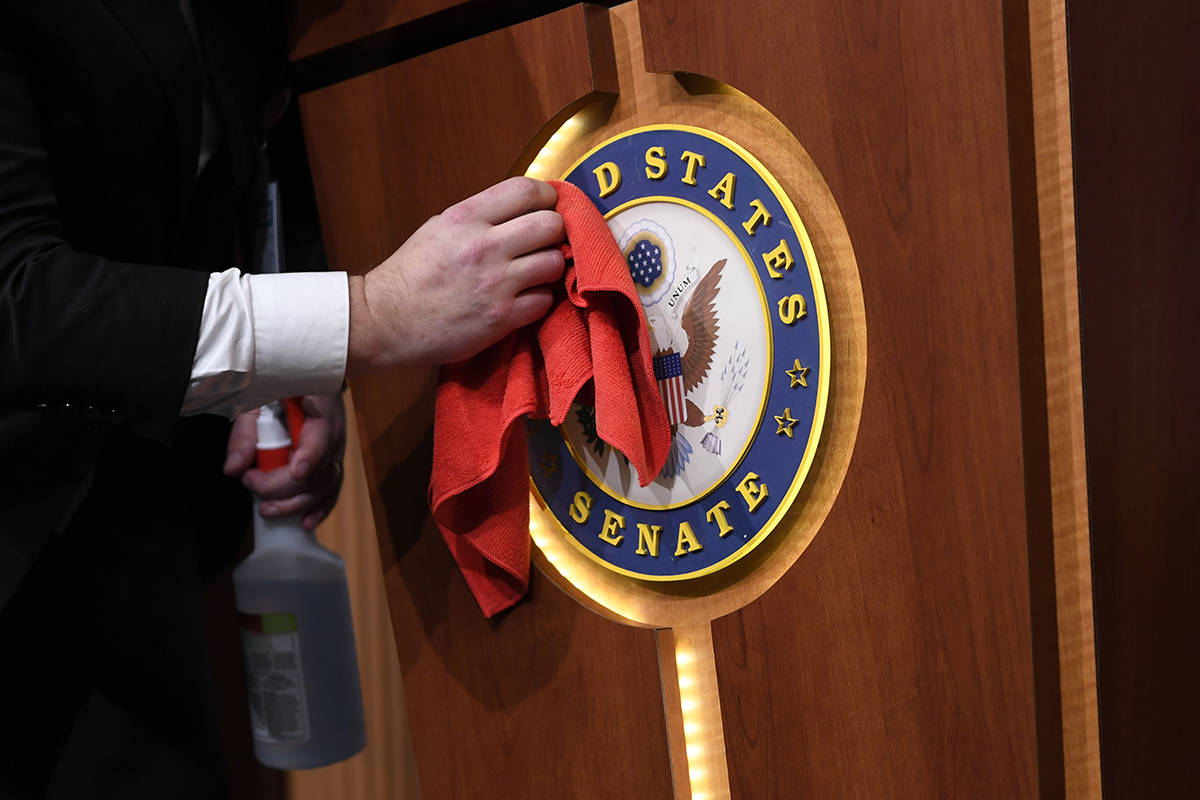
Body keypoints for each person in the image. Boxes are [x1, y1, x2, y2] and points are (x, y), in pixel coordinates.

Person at [0, 2, 565, 797]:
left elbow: (265, 149)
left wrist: (300, 364)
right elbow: (18, 304)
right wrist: (366, 316)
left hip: (136, 516)